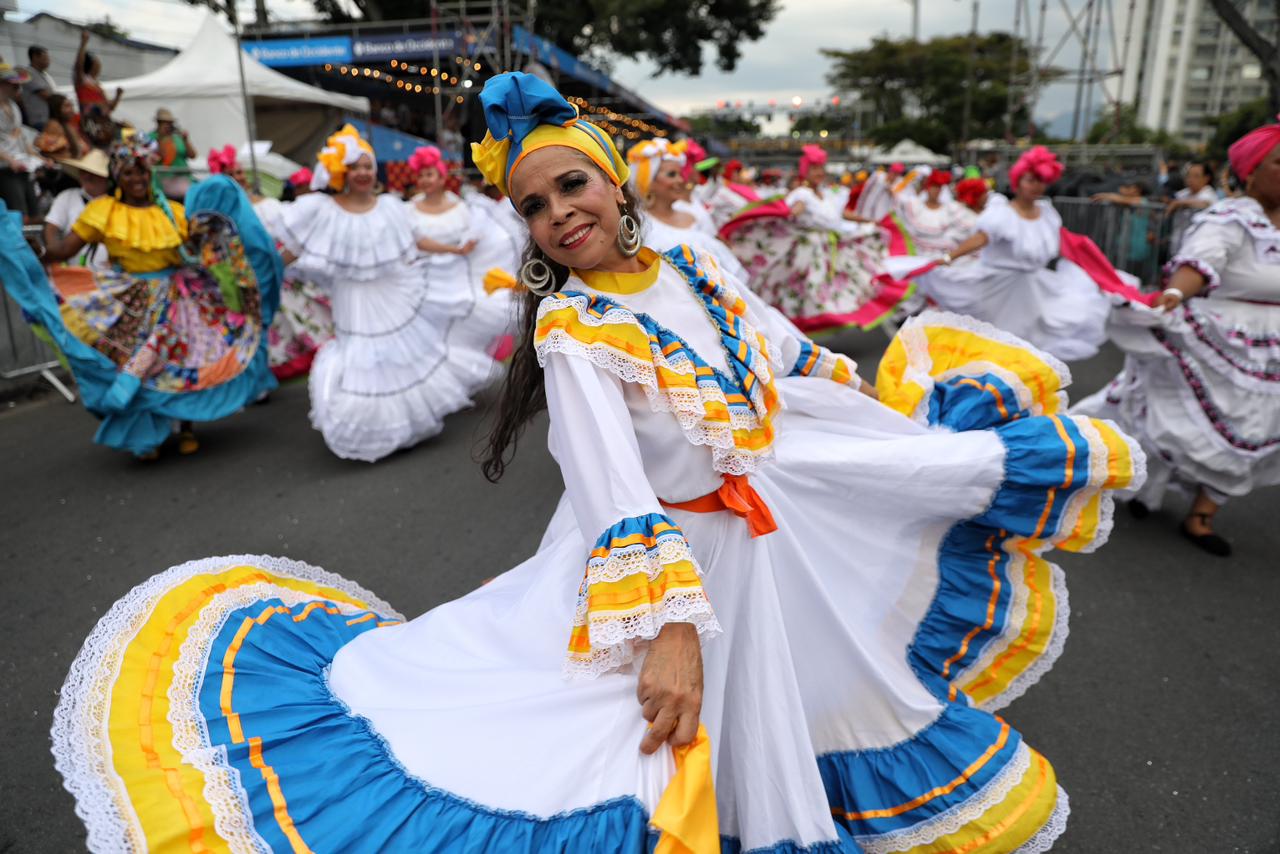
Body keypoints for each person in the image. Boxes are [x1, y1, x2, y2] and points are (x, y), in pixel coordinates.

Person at [47, 71, 1143, 854]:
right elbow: (610, 482)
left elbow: (775, 348)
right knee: (621, 740)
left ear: (616, 182)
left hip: (760, 533)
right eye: (532, 203)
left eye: (573, 186)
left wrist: (873, 419)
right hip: (667, 557)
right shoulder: (571, 329)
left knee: (797, 702)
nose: (557, 213)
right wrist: (668, 628)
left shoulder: (697, 260)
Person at [1074, 117, 1280, 557]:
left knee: (1258, 429)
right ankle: (1140, 478)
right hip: (1220, 336)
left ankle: (1203, 512)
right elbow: (1200, 265)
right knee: (1171, 418)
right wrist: (1170, 295)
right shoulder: (1229, 217)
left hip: (1272, 347)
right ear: (1251, 171)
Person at [11, 140, 280, 458]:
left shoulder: (175, 212)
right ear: (117, 179)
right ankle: (145, 434)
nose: (137, 180)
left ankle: (186, 427)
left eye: (142, 172)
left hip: (178, 301)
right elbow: (62, 251)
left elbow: (195, 253)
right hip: (130, 301)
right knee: (138, 367)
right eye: (128, 174)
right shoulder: (103, 211)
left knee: (181, 362)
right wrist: (28, 250)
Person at [275, 125, 484, 461]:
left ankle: (404, 427)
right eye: (356, 166)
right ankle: (369, 429)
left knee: (398, 355)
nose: (363, 173)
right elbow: (295, 248)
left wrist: (453, 250)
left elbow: (416, 239)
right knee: (363, 358)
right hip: (354, 299)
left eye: (368, 166)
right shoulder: (323, 209)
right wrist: (270, 266)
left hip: (391, 291)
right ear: (343, 171)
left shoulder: (390, 207)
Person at [907, 147, 1121, 362]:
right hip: (997, 288)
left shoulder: (1047, 213)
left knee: (1033, 343)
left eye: (1041, 180)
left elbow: (1066, 245)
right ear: (1017, 181)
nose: (1036, 186)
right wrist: (947, 259)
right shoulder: (1001, 213)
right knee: (993, 344)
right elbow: (981, 238)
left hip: (1033, 290)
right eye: (1030, 180)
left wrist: (1097, 274)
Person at [724, 144, 913, 333]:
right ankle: (793, 333)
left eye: (821, 168)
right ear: (805, 171)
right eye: (814, 169)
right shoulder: (801, 194)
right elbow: (792, 211)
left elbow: (841, 214)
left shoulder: (827, 193)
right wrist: (786, 213)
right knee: (806, 296)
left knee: (840, 289)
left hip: (829, 249)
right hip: (807, 254)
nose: (819, 173)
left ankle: (811, 329)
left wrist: (870, 220)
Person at [209, 144, 335, 381]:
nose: (238, 177)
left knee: (301, 321)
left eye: (239, 172)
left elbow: (288, 235)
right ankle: (258, 380)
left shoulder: (268, 206)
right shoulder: (221, 216)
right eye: (231, 174)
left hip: (279, 274)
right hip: (246, 280)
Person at [404, 143, 520, 387]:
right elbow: (411, 243)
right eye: (421, 175)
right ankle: (432, 382)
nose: (425, 180)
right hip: (420, 281)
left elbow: (476, 236)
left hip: (456, 279)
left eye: (430, 174)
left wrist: (472, 241)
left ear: (441, 175)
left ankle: (453, 379)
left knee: (457, 329)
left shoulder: (461, 207)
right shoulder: (408, 210)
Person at [628, 136, 749, 282]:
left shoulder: (695, 214)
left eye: (679, 174)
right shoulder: (638, 224)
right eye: (671, 174)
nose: (680, 180)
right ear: (648, 181)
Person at [41, 147, 110, 271]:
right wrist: (55, 253)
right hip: (75, 271)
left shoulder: (116, 203)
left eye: (93, 173)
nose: (87, 176)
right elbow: (51, 227)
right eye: (84, 171)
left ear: (105, 178)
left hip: (111, 273)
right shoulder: (67, 196)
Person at [0, 63, 42, 220]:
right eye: (14, 85)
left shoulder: (13, 106)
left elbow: (21, 139)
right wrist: (10, 161)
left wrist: (40, 158)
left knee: (35, 215)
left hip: (23, 166)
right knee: (19, 216)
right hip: (5, 169)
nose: (19, 89)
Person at [72, 30, 122, 118]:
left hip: (104, 122)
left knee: (129, 131)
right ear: (92, 66)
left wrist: (118, 96)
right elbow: (79, 66)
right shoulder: (82, 81)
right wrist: (83, 43)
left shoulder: (97, 86)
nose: (99, 66)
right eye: (97, 63)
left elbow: (110, 107)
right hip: (91, 124)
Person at [149, 108, 196, 200]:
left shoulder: (177, 137)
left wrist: (186, 140)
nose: (168, 126)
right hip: (164, 180)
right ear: (158, 123)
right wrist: (162, 138)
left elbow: (193, 155)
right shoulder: (151, 138)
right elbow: (160, 157)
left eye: (170, 123)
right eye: (165, 123)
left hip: (184, 178)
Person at [35, 94, 90, 161]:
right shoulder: (53, 125)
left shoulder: (67, 125)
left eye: (71, 105)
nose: (71, 109)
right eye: (66, 106)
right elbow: (47, 151)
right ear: (56, 109)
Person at [19, 45, 54, 130]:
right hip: (40, 120)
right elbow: (45, 94)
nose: (49, 61)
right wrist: (59, 101)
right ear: (35, 57)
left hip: (48, 120)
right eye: (45, 58)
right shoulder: (28, 73)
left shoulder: (41, 74)